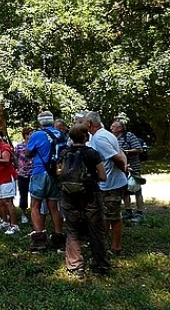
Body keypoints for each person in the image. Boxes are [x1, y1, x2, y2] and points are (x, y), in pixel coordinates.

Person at [60, 124, 110, 279]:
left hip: (67, 194)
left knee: (72, 230)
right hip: (90, 195)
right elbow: (103, 177)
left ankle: (75, 266)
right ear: (86, 137)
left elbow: (59, 172)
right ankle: (100, 265)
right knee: (96, 229)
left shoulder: (64, 153)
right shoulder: (92, 154)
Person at [85, 112, 128, 255]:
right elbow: (120, 153)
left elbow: (117, 157)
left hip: (111, 184)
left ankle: (116, 248)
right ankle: (104, 244)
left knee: (114, 217)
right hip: (108, 183)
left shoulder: (99, 138)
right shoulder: (104, 134)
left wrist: (124, 170)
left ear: (89, 123)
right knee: (106, 215)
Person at [25, 111, 66, 251]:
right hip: (56, 173)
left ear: (40, 122)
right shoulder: (61, 134)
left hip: (40, 172)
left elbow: (28, 152)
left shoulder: (37, 134)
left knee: (35, 205)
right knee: (54, 206)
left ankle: (39, 240)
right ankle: (58, 237)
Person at [110, 121, 145, 222]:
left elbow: (139, 149)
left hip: (133, 167)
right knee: (125, 190)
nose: (111, 128)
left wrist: (126, 152)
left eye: (113, 126)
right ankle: (128, 211)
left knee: (136, 189)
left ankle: (140, 212)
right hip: (121, 168)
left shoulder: (129, 136)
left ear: (120, 128)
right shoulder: (112, 138)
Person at [0, 128, 20, 235]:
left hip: (6, 177)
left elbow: (6, 161)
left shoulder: (4, 147)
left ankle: (14, 225)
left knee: (8, 202)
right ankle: (4, 221)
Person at [15, 128, 33, 224]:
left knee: (34, 194)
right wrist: (18, 168)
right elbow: (16, 158)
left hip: (33, 172)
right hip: (22, 173)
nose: (30, 136)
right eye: (29, 134)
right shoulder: (19, 146)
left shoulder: (35, 146)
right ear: (25, 135)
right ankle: (23, 213)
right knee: (23, 194)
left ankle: (33, 213)